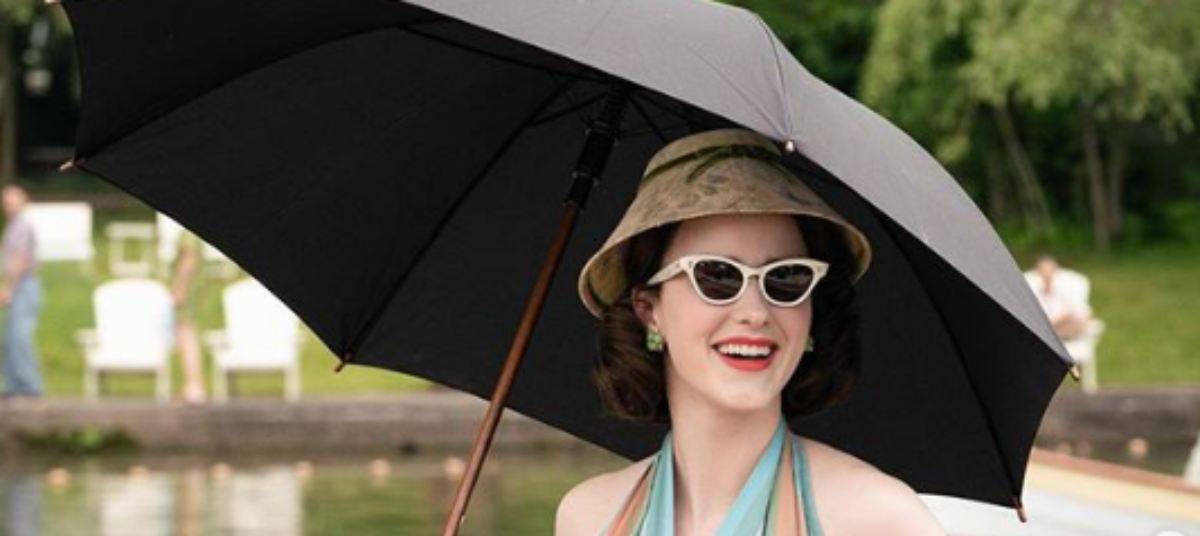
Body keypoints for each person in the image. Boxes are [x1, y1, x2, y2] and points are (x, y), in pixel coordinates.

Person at [557, 130, 944, 535]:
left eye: (787, 278)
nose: (756, 312)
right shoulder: (588, 517)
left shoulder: (877, 518)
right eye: (718, 276)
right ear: (649, 311)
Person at [0, 184, 44, 400]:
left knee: (20, 337)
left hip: (23, 285)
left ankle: (30, 386)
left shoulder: (22, 226)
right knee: (10, 338)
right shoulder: (13, 226)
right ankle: (13, 385)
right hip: (17, 285)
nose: (9, 206)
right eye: (6, 203)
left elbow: (20, 259)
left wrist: (8, 288)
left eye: (13, 202)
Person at [170, 227, 207, 404]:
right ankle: (191, 385)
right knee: (183, 334)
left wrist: (179, 287)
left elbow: (189, 260)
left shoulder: (189, 235)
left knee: (186, 333)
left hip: (187, 290)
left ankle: (194, 386)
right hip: (192, 288)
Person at [1028, 254, 1092, 340]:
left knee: (1079, 318)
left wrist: (1054, 322)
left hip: (1061, 322)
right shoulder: (1033, 287)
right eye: (1043, 270)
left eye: (1049, 270)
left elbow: (1077, 309)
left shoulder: (1067, 286)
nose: (1047, 274)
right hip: (1043, 323)